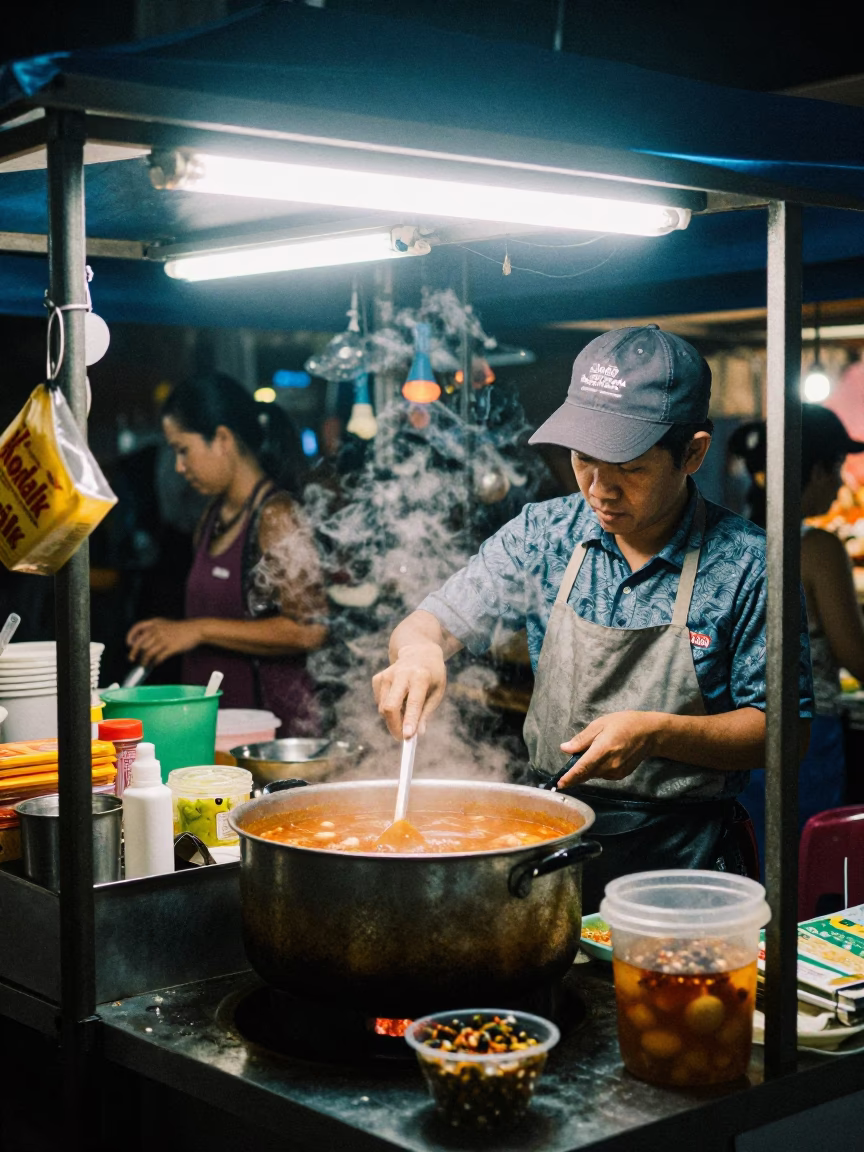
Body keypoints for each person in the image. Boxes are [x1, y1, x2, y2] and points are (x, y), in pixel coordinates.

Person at [373, 325, 813, 910]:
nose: (599, 489)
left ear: (694, 454)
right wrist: (420, 651)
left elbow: (784, 731)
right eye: (583, 459)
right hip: (549, 839)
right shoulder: (543, 533)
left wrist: (657, 733)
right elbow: (429, 622)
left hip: (685, 860)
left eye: (627, 466)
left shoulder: (749, 564)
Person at [127, 373, 328, 734]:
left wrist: (197, 630)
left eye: (183, 449)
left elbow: (310, 629)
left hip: (268, 737)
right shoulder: (211, 516)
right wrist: (172, 631)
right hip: (217, 731)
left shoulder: (276, 516)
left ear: (221, 439)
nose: (178, 466)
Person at [731, 405, 864, 873]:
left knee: (751, 871)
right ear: (812, 469)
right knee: (801, 878)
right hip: (808, 738)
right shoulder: (819, 548)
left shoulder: (735, 539)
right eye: (836, 469)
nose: (842, 484)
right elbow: (856, 655)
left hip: (737, 740)